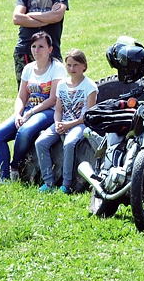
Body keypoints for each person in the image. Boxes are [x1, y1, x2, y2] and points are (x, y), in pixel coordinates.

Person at [0, 32, 64, 185]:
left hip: (49, 111)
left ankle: (15, 166)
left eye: (41, 47)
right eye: (33, 46)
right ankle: (4, 178)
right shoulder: (28, 68)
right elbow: (21, 97)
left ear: (50, 49)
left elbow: (53, 99)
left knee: (25, 131)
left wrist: (29, 113)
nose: (36, 50)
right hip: (28, 110)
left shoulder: (57, 68)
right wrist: (18, 114)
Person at [34, 49, 98, 193]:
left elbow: (88, 115)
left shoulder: (90, 86)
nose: (71, 68)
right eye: (69, 65)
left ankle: (67, 184)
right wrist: (57, 123)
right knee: (41, 142)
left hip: (80, 124)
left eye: (76, 65)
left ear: (84, 66)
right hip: (62, 122)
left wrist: (69, 125)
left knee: (69, 143)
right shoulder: (62, 85)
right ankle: (48, 181)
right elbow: (58, 110)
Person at [12, 0, 69, 86]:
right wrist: (46, 17)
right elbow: (16, 18)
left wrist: (30, 14)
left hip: (51, 49)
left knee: (54, 94)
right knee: (26, 94)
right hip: (25, 50)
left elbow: (56, 16)